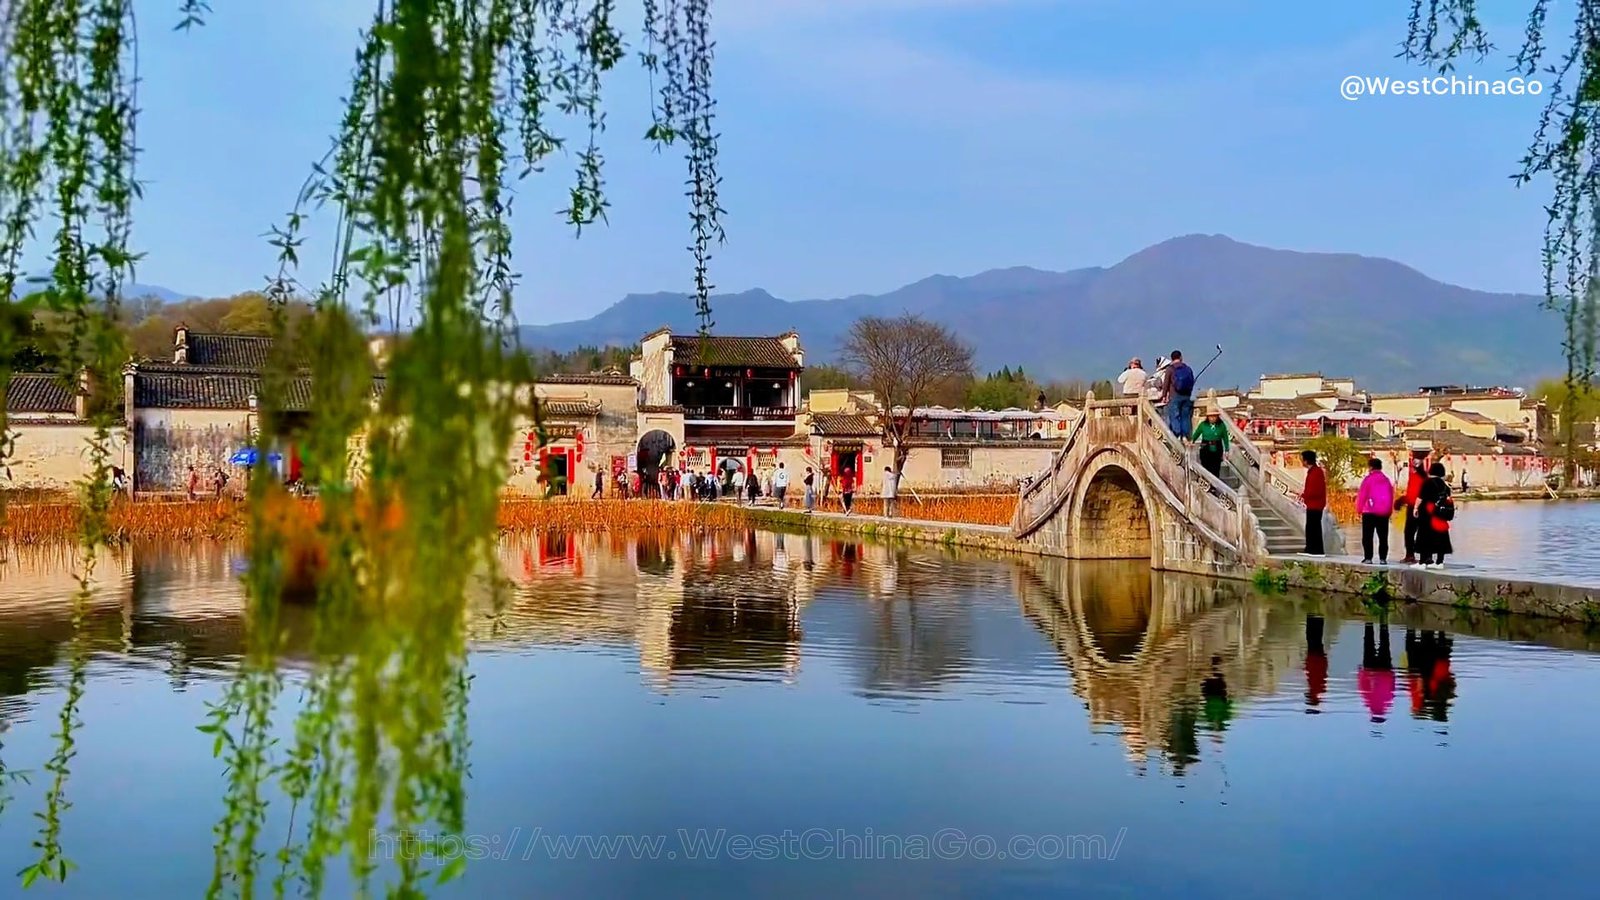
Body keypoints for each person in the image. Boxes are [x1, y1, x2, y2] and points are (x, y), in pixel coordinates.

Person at [1355, 456, 1395, 565]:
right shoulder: (1386, 480)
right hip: (1383, 513)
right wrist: (1389, 511)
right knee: (1383, 537)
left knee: (1368, 536)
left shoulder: (1368, 479)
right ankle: (1383, 558)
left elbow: (1362, 496)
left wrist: (1358, 510)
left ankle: (1368, 558)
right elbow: (1391, 496)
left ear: (1371, 467)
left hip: (1369, 512)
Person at [1415, 461, 1454, 569]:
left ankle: (1423, 561)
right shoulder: (1445, 486)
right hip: (1441, 515)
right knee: (1440, 537)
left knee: (1425, 536)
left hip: (1427, 513)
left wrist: (1415, 508)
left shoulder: (1427, 482)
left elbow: (1420, 497)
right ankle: (1439, 562)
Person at [1358, 622, 1396, 723]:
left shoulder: (1387, 701)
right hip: (1372, 670)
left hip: (1384, 670)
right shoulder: (1370, 701)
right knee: (1368, 642)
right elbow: (1363, 686)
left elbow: (1392, 687)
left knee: (1385, 642)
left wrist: (1392, 673)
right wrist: (1361, 672)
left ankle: (1383, 624)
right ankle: (1369, 623)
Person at [1299, 449, 1326, 556]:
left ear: (1306, 461)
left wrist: (1305, 496)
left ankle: (1314, 549)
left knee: (1313, 527)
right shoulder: (1314, 472)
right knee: (1312, 526)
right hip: (1313, 503)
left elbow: (1315, 490)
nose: (1301, 462)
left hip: (1315, 504)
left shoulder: (1316, 472)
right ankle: (1312, 548)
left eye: (1302, 459)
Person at [1401, 455, 1427, 564]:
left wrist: (1402, 501)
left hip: (1414, 507)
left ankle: (1410, 555)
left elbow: (1411, 494)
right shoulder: (1426, 478)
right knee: (1423, 532)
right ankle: (1425, 556)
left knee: (1409, 532)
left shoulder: (1414, 477)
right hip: (1424, 508)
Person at [1189, 405, 1229, 478]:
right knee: (1206, 465)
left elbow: (1225, 437)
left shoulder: (1221, 425)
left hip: (1217, 446)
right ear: (1208, 417)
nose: (1213, 418)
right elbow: (1197, 433)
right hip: (1205, 445)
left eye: (1214, 416)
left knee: (1216, 467)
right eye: (1211, 416)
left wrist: (1227, 450)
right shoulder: (1203, 425)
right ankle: (1206, 481)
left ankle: (1215, 484)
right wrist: (1192, 441)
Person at [1165, 349, 1196, 437]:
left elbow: (1166, 384)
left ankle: (1177, 434)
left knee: (1174, 416)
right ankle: (1186, 436)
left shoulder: (1170, 369)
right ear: (1181, 357)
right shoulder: (1188, 368)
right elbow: (1191, 381)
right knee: (1185, 417)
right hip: (1186, 396)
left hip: (1174, 396)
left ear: (1171, 359)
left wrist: (1164, 396)